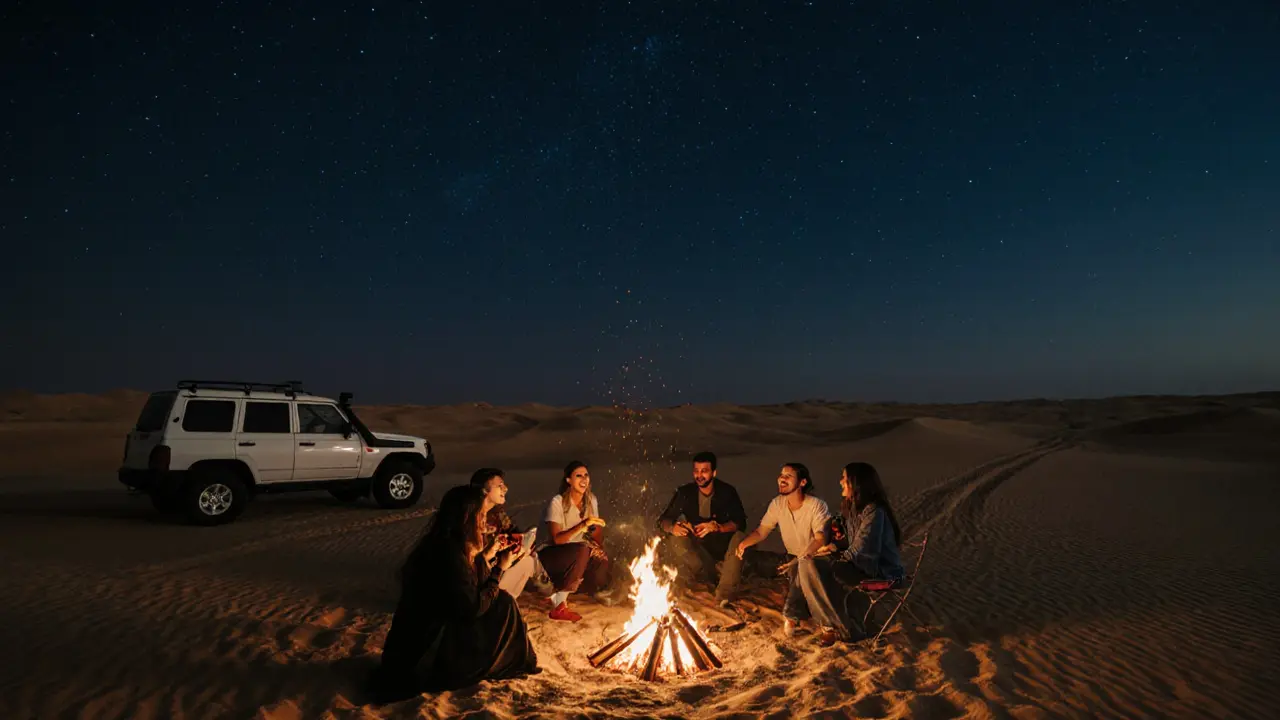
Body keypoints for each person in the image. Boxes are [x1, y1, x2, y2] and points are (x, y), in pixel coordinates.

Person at [367, 485, 539, 703]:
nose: (484, 524)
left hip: (425, 642)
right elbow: (473, 606)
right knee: (502, 604)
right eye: (481, 516)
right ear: (467, 517)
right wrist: (499, 569)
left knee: (501, 600)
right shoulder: (449, 554)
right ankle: (513, 662)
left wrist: (487, 555)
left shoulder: (448, 544)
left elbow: (472, 585)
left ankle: (513, 659)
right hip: (426, 653)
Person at [804, 462, 907, 644]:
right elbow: (848, 540)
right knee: (806, 564)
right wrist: (832, 546)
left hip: (879, 571)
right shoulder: (852, 508)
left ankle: (843, 628)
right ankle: (831, 624)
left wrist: (837, 559)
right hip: (858, 565)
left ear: (857, 483)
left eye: (844, 478)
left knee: (827, 570)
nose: (840, 482)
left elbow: (863, 546)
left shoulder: (874, 511)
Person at [735, 462, 834, 638]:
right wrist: (743, 544)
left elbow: (820, 539)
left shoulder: (816, 506)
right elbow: (762, 531)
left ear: (802, 482)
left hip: (818, 557)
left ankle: (792, 616)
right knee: (758, 561)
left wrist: (801, 558)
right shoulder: (778, 504)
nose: (782, 478)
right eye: (781, 475)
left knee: (799, 568)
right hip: (792, 556)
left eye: (788, 476)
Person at [656, 451, 748, 604]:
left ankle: (724, 594)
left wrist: (718, 527)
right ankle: (705, 577)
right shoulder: (685, 493)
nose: (700, 475)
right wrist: (674, 527)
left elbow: (740, 523)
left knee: (740, 538)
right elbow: (663, 520)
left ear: (714, 472)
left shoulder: (727, 492)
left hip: (726, 551)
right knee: (675, 539)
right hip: (702, 554)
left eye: (704, 471)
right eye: (696, 471)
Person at [537, 461, 614, 621]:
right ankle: (559, 605)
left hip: (577, 553)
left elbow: (595, 534)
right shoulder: (557, 502)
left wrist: (597, 545)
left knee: (601, 560)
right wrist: (582, 525)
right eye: (578, 475)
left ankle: (569, 591)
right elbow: (557, 540)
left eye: (586, 475)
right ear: (568, 480)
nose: (584, 479)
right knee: (583, 549)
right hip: (550, 555)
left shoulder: (591, 500)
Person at [469, 467, 552, 601]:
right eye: (500, 485)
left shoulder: (497, 514)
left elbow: (513, 531)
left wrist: (519, 542)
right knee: (529, 562)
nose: (505, 488)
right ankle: (551, 593)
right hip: (481, 585)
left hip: (495, 572)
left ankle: (549, 592)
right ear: (484, 490)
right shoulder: (471, 520)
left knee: (529, 556)